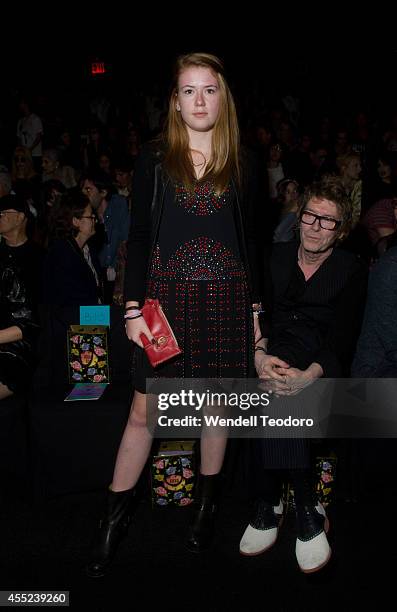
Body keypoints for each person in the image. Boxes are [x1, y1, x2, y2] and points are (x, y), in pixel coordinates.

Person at [86, 52, 263, 578]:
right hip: (166, 303)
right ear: (176, 101)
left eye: (209, 89)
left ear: (222, 97)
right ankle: (112, 522)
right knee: (143, 413)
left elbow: (251, 243)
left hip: (228, 299)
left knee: (214, 407)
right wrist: (133, 307)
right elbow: (138, 238)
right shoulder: (154, 157)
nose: (200, 100)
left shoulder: (245, 160)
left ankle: (206, 507)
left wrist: (257, 312)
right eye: (189, 90)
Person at [239, 175, 367, 573]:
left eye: (327, 221)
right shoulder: (272, 256)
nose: (316, 226)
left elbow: (343, 339)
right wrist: (259, 355)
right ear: (300, 217)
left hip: (320, 365)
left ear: (340, 230)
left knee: (279, 398)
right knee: (271, 392)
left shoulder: (351, 269)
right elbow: (254, 312)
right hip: (270, 353)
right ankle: (306, 505)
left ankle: (270, 499)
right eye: (311, 215)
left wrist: (307, 375)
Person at [0, 194, 40, 400]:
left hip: (21, 344)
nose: (0, 217)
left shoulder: (38, 257)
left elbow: (33, 321)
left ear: (20, 217)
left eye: (4, 213)